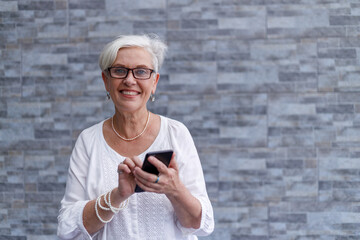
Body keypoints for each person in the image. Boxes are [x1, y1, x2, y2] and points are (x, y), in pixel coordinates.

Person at [57, 34, 214, 239]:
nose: (130, 80)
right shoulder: (88, 141)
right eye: (120, 70)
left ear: (154, 82)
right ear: (106, 80)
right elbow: (67, 229)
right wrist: (117, 196)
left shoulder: (176, 133)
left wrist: (174, 189)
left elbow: (202, 226)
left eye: (141, 71)